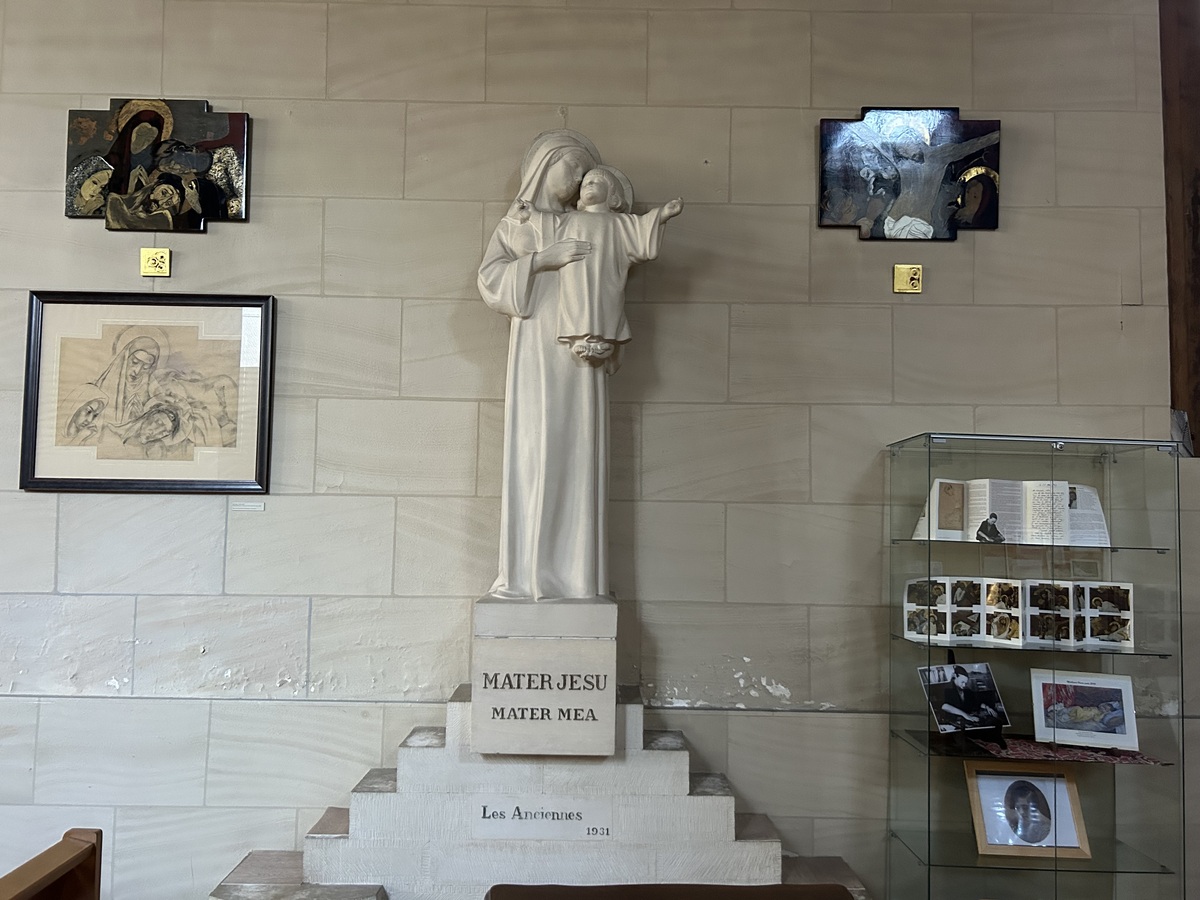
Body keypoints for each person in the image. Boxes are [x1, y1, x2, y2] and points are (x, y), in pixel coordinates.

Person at [477, 130, 616, 602]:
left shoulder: (594, 227)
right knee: (535, 451)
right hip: (536, 348)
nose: (578, 180)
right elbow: (490, 280)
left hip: (580, 357)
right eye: (571, 168)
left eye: (584, 172)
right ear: (544, 166)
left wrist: (610, 343)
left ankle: (576, 580)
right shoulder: (517, 223)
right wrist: (540, 261)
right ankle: (524, 576)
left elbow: (611, 284)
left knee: (578, 451)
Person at [553, 164, 683, 370]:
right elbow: (547, 227)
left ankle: (603, 340)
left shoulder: (620, 222)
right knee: (579, 304)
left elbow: (642, 229)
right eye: (586, 183)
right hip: (576, 279)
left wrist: (663, 214)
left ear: (612, 194)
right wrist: (530, 214)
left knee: (605, 306)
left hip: (608, 280)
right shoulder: (569, 219)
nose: (589, 185)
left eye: (596, 182)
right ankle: (580, 338)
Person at [91, 334, 162, 425]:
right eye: (134, 362)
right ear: (125, 358)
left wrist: (141, 418)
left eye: (145, 367)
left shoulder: (153, 392)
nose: (137, 371)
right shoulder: (104, 385)